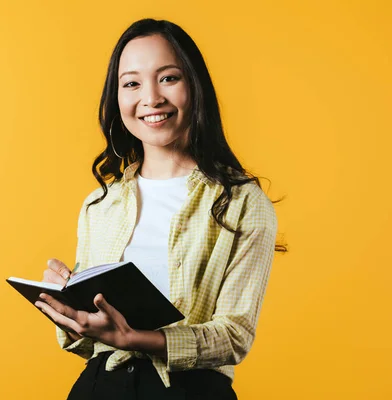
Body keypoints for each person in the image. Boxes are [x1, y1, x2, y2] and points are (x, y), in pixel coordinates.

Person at [34, 18, 284, 400]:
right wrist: (68, 310)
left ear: (195, 87)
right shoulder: (100, 204)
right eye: (131, 83)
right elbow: (89, 345)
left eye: (168, 78)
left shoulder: (242, 202)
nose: (150, 98)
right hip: (100, 388)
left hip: (190, 391)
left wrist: (137, 338)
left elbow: (235, 336)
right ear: (116, 99)